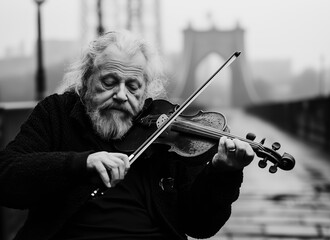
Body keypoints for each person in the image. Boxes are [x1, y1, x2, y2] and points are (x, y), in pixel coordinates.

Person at [0, 30, 254, 240]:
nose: (121, 95)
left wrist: (223, 174)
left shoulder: (169, 134)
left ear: (146, 91)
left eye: (133, 87)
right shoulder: (56, 114)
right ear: (86, 80)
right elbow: (7, 178)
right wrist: (81, 163)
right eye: (109, 82)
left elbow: (201, 226)